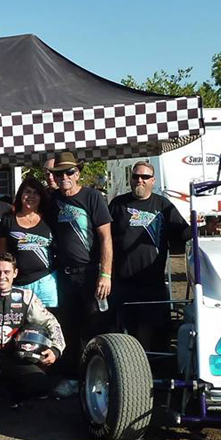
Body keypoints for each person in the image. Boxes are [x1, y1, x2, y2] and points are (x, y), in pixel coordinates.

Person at [0, 253, 65, 423]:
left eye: (7, 272)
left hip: (15, 357)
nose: (2, 276)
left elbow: (51, 323)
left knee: (41, 383)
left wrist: (56, 349)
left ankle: (9, 397)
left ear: (15, 273)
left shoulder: (26, 297)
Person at [109, 160, 190, 352]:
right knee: (123, 328)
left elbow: (183, 232)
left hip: (152, 281)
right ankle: (127, 362)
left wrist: (203, 227)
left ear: (153, 180)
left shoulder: (163, 205)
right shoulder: (117, 204)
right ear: (130, 179)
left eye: (145, 177)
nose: (140, 180)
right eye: (136, 176)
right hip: (122, 281)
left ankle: (146, 362)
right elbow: (105, 238)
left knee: (150, 328)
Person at [49, 151, 113, 397]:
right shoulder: (53, 200)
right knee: (69, 328)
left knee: (96, 327)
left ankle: (103, 377)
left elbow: (106, 238)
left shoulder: (92, 197)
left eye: (69, 172)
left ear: (78, 173)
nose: (64, 177)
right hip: (64, 276)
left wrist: (105, 274)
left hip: (91, 274)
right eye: (59, 174)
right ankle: (75, 380)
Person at [0, 176, 58, 308]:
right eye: (27, 192)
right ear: (20, 194)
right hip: (18, 284)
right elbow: (1, 253)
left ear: (41, 197)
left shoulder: (49, 218)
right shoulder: (8, 219)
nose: (31, 196)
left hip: (46, 282)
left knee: (50, 319)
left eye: (35, 193)